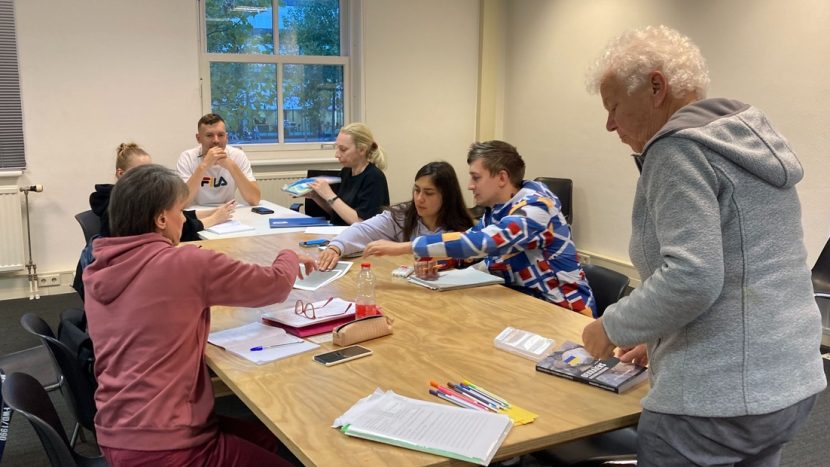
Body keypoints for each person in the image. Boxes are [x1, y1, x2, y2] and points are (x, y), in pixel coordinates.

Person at [580, 25, 826, 466]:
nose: (609, 123)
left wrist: (611, 326)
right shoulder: (743, 142)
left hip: (717, 401)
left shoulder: (677, 151)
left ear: (656, 87)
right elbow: (741, 269)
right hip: (788, 384)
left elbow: (692, 276)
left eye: (614, 105)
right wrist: (656, 332)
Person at [83, 164, 315, 466]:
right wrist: (290, 254)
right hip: (167, 445)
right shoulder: (183, 263)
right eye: (182, 210)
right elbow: (273, 286)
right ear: (162, 218)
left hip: (118, 429)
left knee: (270, 439)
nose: (186, 219)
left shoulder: (98, 268)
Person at [363, 140, 595, 316]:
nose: (470, 186)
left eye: (476, 177)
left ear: (501, 178)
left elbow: (484, 242)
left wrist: (406, 247)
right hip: (522, 304)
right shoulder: (497, 208)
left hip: (565, 311)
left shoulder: (536, 207)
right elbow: (471, 247)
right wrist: (437, 262)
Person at [72, 143, 235, 300]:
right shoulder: (125, 208)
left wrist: (212, 212)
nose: (149, 180)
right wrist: (214, 219)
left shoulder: (130, 198)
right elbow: (177, 227)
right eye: (141, 174)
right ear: (121, 174)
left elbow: (175, 215)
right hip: (124, 288)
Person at [317, 161, 475, 270]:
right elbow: (364, 229)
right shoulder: (402, 214)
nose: (419, 198)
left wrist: (401, 249)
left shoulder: (463, 231)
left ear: (447, 196)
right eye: (416, 190)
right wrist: (336, 247)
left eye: (429, 193)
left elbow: (445, 249)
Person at [304, 122, 390, 226]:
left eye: (343, 149)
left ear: (362, 150)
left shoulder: (374, 177)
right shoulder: (346, 172)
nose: (337, 155)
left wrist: (329, 195)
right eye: (337, 148)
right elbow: (338, 214)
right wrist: (316, 197)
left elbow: (361, 223)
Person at [177, 113, 261, 206]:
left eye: (221, 135)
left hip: (228, 210)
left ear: (227, 137)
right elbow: (182, 202)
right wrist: (204, 166)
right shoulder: (187, 157)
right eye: (209, 135)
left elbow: (255, 199)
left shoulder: (237, 155)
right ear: (198, 138)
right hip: (197, 212)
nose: (216, 140)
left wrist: (231, 166)